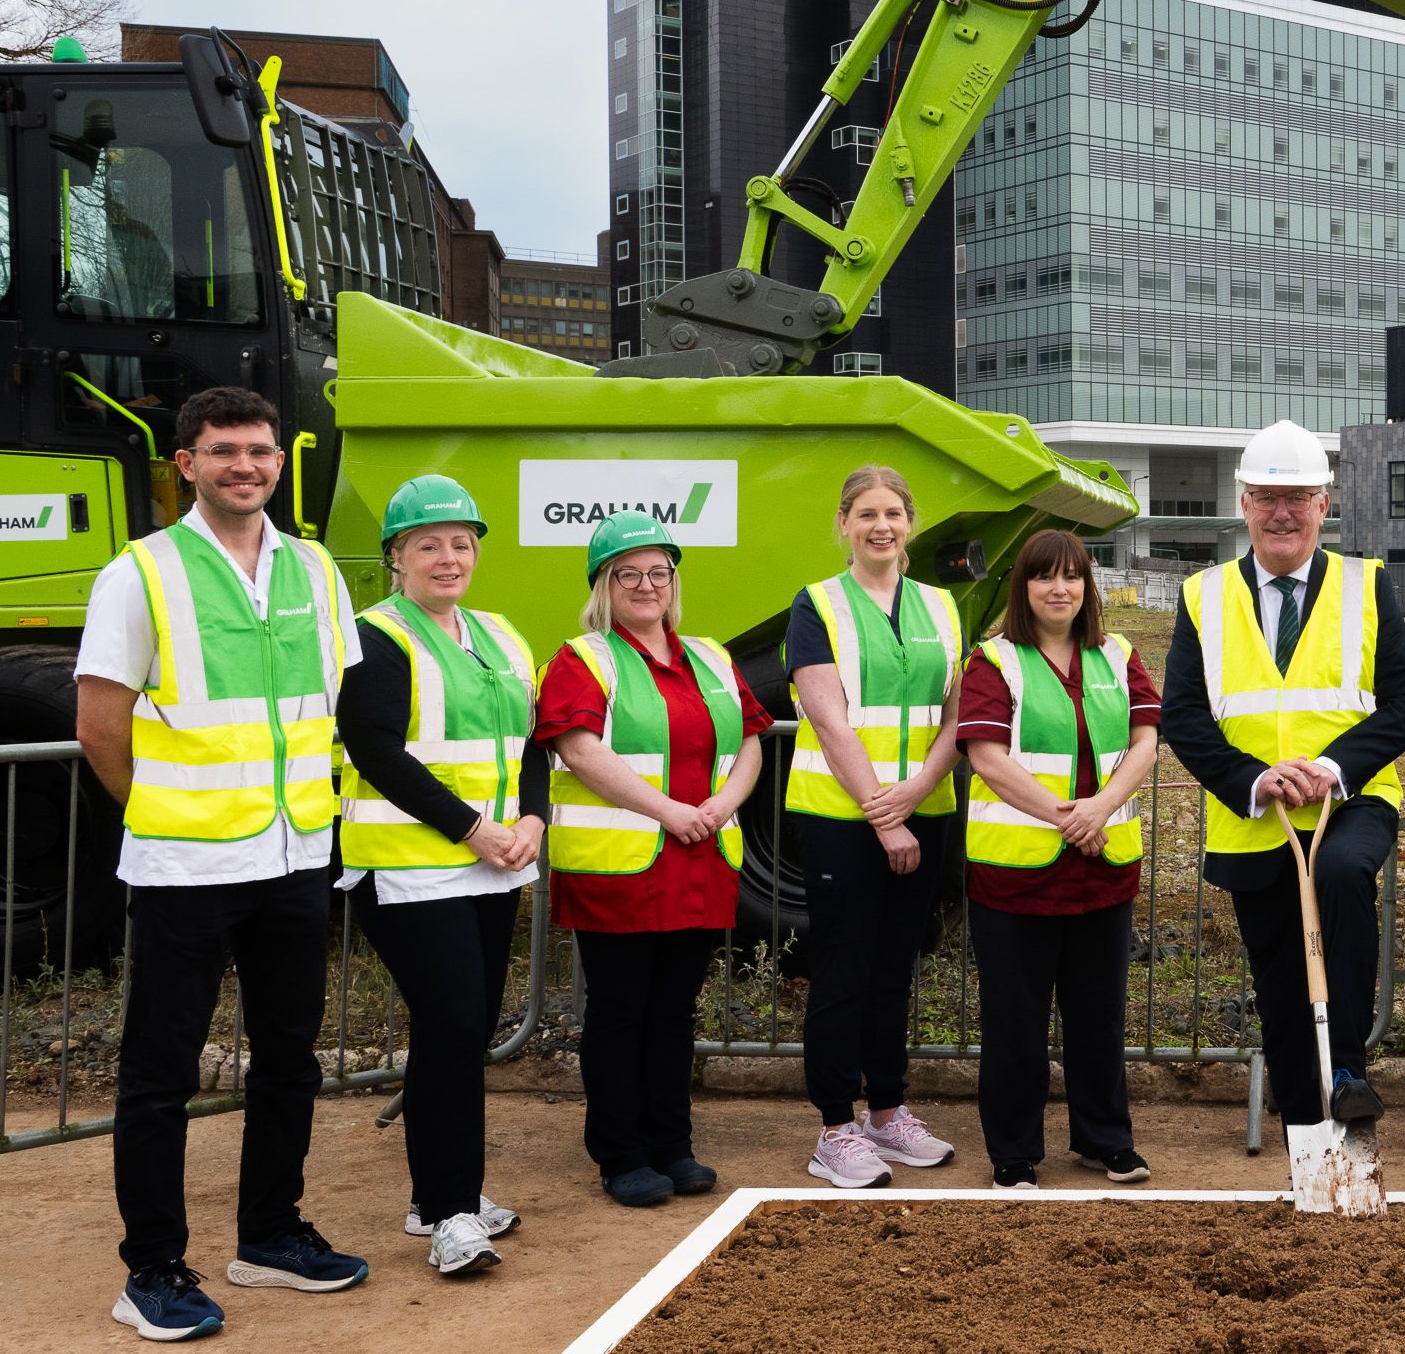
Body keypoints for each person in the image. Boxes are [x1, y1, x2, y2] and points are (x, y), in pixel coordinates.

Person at [75, 386, 366, 1342]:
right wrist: (159, 814)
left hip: (293, 857)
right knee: (160, 1075)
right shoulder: (140, 573)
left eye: (261, 451)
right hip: (186, 868)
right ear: (186, 463)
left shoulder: (317, 570)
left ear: (281, 461)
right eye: (224, 451)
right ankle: (151, 1270)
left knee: (290, 1060)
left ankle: (270, 1236)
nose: (247, 466)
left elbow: (330, 706)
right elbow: (100, 726)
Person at [1160, 419, 1405, 1137]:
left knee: (1343, 877)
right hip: (1255, 815)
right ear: (1244, 503)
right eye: (1267, 497)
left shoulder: (1366, 587)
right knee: (1280, 984)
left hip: (1350, 803)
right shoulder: (1203, 596)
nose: (1283, 512)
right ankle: (1307, 1136)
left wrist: (1335, 769)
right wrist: (1252, 779)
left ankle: (1347, 1071)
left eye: (1299, 497)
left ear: (1324, 504)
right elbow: (1184, 717)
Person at [334, 475, 547, 1277]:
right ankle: (453, 1215)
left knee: (458, 1033)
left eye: (461, 542)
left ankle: (442, 1195)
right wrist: (474, 827)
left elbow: (530, 742)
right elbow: (377, 751)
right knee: (455, 1026)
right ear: (396, 558)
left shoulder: (497, 633)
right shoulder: (376, 637)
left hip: (491, 865)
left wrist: (531, 820)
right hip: (413, 870)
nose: (448, 557)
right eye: (428, 544)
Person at [536, 511, 768, 1208]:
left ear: (673, 582)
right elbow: (579, 749)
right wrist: (671, 812)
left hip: (698, 860)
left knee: (673, 1010)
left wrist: (725, 802)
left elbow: (752, 739)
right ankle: (621, 1153)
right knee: (620, 1011)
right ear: (604, 585)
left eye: (658, 572)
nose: (646, 585)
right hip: (624, 866)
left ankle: (673, 1144)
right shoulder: (584, 658)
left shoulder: (713, 657)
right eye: (627, 573)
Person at [954, 529, 1163, 1187]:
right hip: (1015, 878)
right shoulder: (993, 662)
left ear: (1087, 587)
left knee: (1098, 1016)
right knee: (1015, 1022)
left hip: (1103, 872)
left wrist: (1099, 810)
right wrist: (1069, 818)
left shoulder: (1118, 653)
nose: (1060, 589)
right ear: (1024, 587)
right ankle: (1014, 1154)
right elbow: (987, 757)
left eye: (1073, 577)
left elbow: (1146, 742)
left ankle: (1106, 1140)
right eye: (1046, 577)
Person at [783, 464, 965, 1188]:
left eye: (892, 513)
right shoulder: (817, 604)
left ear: (910, 523)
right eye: (865, 514)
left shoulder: (943, 607)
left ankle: (887, 1116)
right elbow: (828, 718)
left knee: (896, 970)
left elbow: (957, 713)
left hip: (929, 810)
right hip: (840, 817)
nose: (880, 526)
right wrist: (885, 816)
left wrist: (920, 787)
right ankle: (834, 1127)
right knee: (842, 972)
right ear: (843, 524)